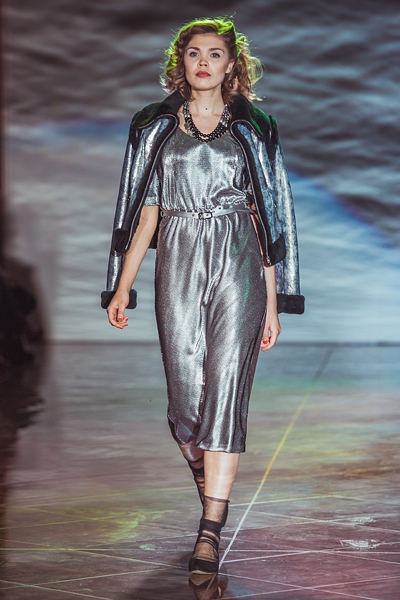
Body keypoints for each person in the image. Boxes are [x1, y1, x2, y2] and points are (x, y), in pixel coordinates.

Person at [102, 17, 304, 575]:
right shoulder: (155, 125)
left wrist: (272, 301)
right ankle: (206, 478)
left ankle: (209, 531)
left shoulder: (254, 127)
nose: (204, 63)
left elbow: (268, 217)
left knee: (226, 392)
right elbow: (145, 213)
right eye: (194, 53)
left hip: (240, 259)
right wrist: (122, 286)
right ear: (181, 61)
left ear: (231, 63)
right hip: (179, 258)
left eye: (215, 54)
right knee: (186, 401)